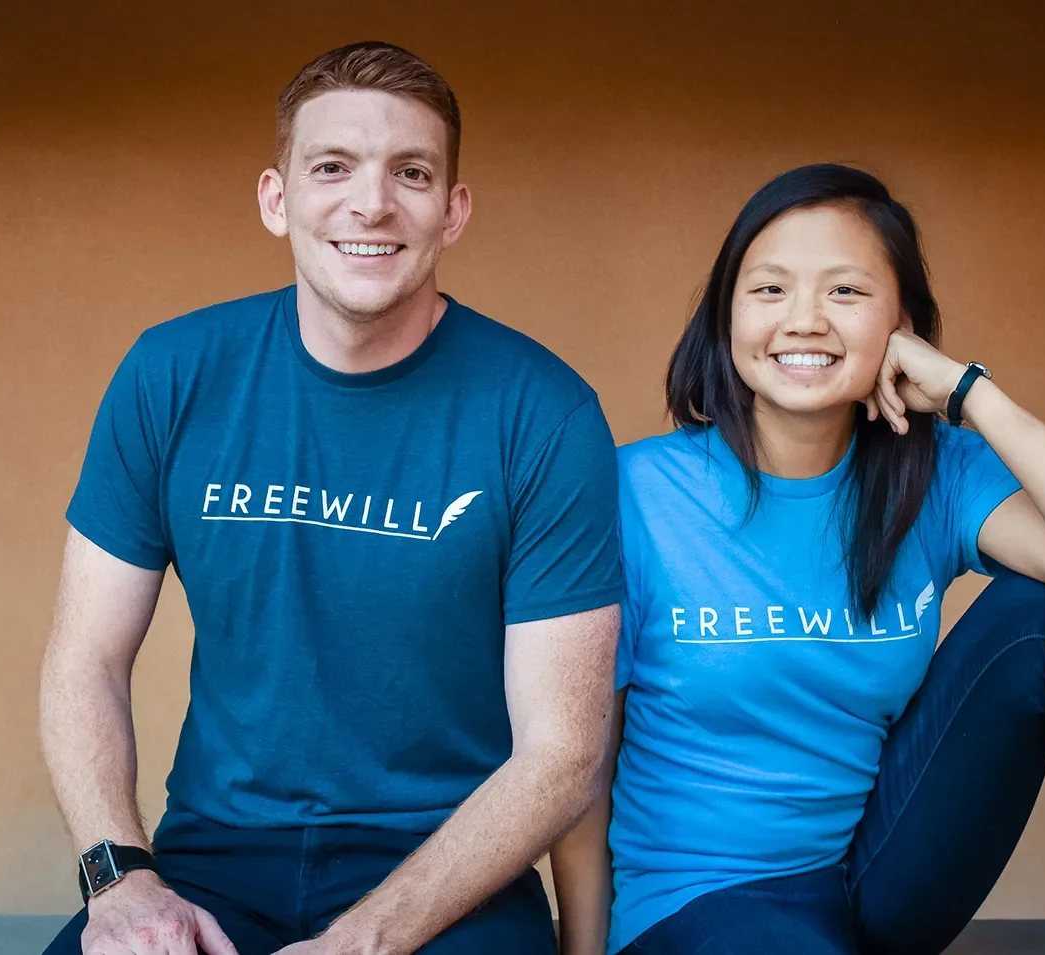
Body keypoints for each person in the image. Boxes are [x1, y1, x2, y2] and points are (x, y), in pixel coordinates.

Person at [551, 163, 1045, 955]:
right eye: (769, 289)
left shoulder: (934, 470)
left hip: (870, 877)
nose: (804, 320)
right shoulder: (637, 493)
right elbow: (582, 758)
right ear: (725, 315)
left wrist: (967, 391)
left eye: (846, 291)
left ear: (902, 323)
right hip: (701, 903)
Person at [39, 41, 622, 955]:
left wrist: (366, 939)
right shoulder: (171, 374)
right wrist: (120, 878)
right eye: (333, 166)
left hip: (447, 871)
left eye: (413, 173)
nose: (372, 201)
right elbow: (86, 658)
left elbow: (561, 755)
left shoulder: (543, 412)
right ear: (278, 199)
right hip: (211, 861)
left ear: (453, 211)